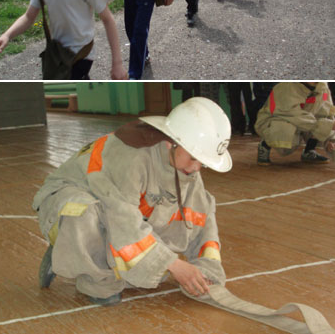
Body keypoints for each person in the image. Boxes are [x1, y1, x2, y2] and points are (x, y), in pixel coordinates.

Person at [33, 97, 232, 305]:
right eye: (193, 158)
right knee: (86, 213)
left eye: (204, 162)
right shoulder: (129, 156)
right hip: (64, 202)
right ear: (171, 142)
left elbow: (200, 218)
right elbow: (122, 220)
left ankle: (90, 258)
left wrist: (207, 271)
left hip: (114, 206)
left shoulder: (186, 166)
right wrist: (173, 264)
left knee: (194, 206)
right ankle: (91, 276)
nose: (197, 168)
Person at [255, 82, 335, 166]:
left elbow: (327, 113)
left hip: (305, 120)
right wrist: (330, 126)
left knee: (322, 124)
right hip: (279, 120)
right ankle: (265, 145)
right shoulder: (286, 87)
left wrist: (329, 140)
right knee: (285, 133)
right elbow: (295, 117)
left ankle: (309, 151)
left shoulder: (322, 86)